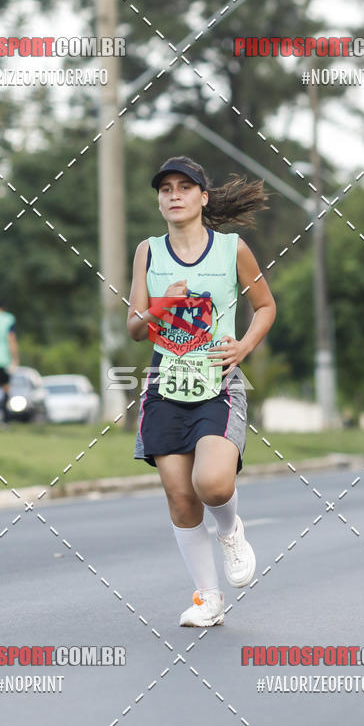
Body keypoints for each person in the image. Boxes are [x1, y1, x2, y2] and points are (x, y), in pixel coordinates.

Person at [128, 156, 276, 627]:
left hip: (217, 384)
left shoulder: (232, 250)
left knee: (211, 484)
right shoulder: (147, 252)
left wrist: (243, 347)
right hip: (164, 386)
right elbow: (133, 327)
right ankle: (207, 598)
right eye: (165, 188)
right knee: (180, 496)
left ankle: (231, 531)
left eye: (184, 187)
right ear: (159, 199)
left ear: (202, 198)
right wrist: (159, 308)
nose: (174, 195)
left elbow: (266, 306)